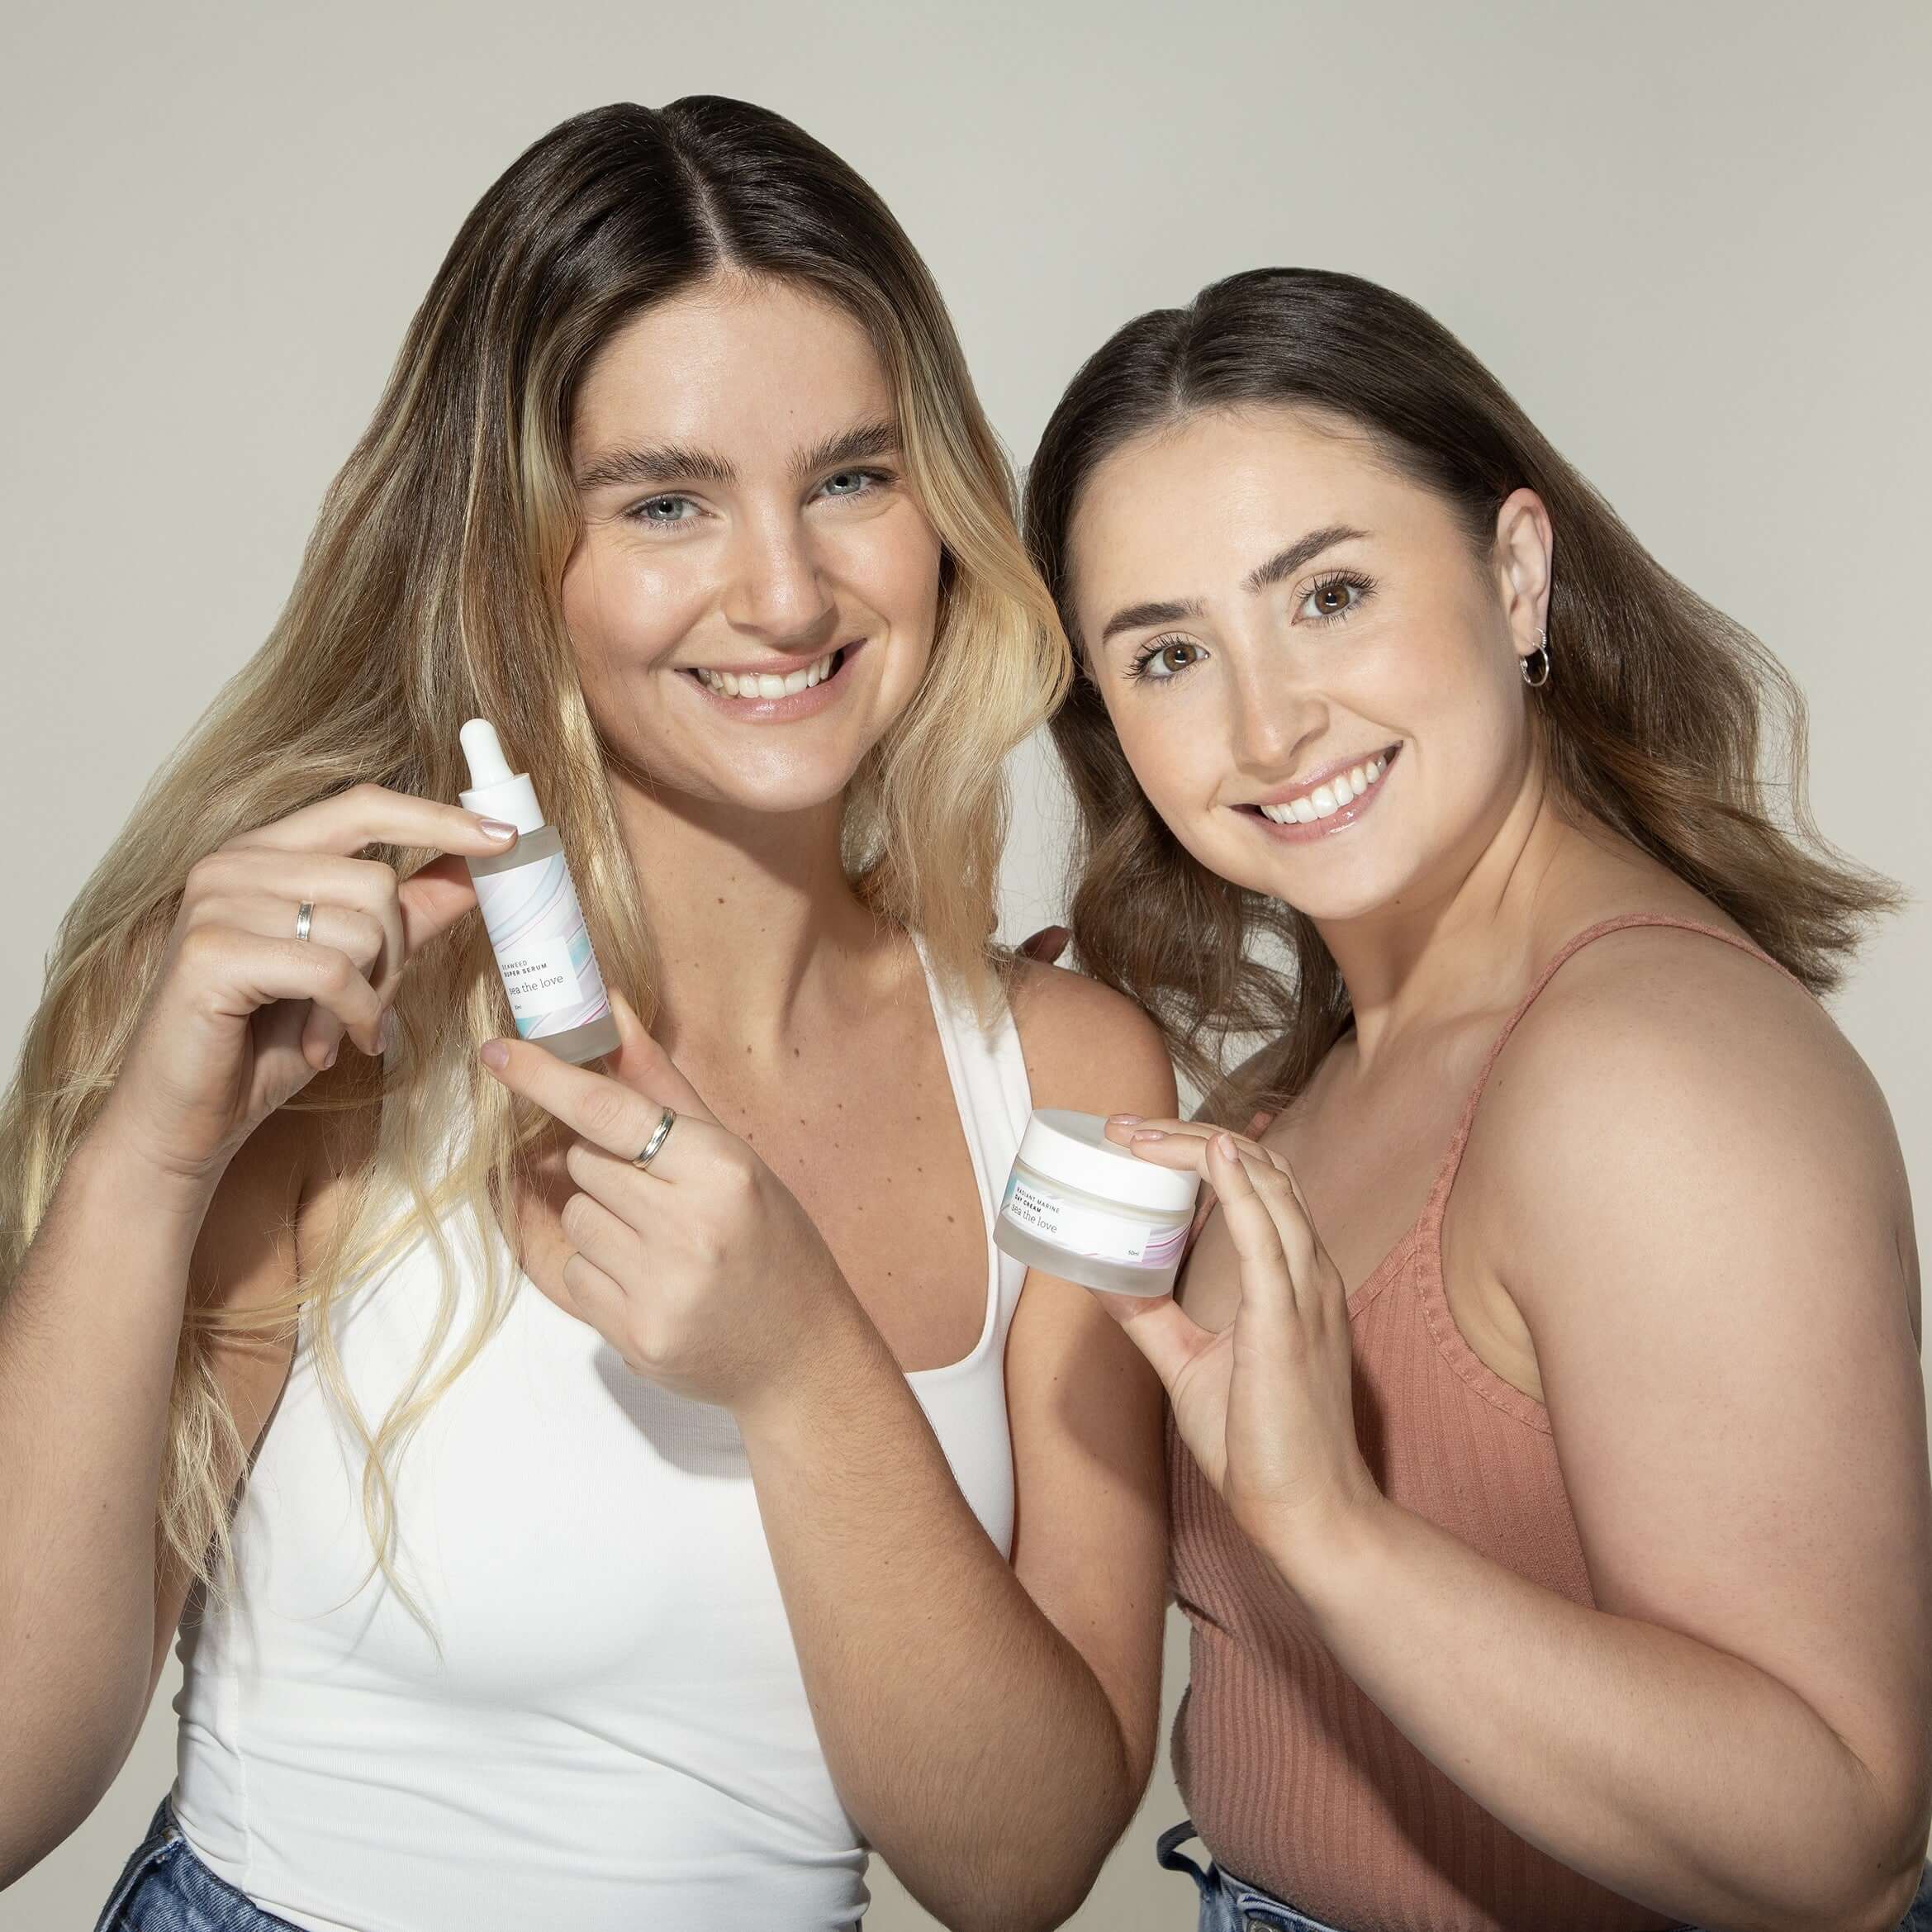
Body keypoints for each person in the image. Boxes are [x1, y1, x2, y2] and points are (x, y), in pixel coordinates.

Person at [0, 99, 1170, 1932]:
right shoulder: (329, 1034)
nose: (784, 592)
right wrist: (149, 1158)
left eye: (852, 480)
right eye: (665, 502)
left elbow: (1017, 1869)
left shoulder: (1071, 1080)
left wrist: (801, 1362)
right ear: (514, 548)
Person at [1021, 266, 1932, 1932]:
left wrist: (1333, 1527)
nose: (1269, 723)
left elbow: (1839, 1847)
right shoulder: (1318, 1077)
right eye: (1169, 653)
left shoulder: (1645, 1078)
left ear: (1515, 574)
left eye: (1330, 594)